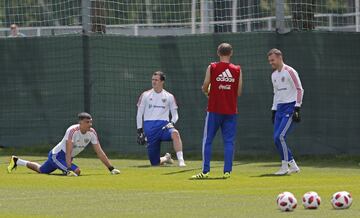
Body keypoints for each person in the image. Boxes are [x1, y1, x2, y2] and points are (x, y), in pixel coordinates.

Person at [7, 112, 120, 176]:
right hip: (57, 156)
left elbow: (99, 152)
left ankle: (17, 161)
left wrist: (111, 168)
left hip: (64, 157)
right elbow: (69, 151)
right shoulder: (72, 131)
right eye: (87, 122)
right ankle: (66, 171)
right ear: (80, 123)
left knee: (41, 170)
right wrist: (69, 168)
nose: (90, 124)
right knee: (76, 171)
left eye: (91, 121)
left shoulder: (92, 133)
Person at [192, 43, 242, 179]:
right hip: (230, 111)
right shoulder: (237, 69)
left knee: (207, 140)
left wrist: (207, 91)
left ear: (218, 53)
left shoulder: (212, 67)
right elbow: (238, 91)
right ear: (231, 53)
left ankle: (205, 171)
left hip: (214, 110)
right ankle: (227, 171)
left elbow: (205, 85)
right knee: (229, 142)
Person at [136, 71, 186, 167]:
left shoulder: (169, 96)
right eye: (153, 80)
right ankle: (166, 158)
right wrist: (139, 131)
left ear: (162, 82)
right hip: (150, 129)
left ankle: (181, 161)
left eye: (156, 80)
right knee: (155, 163)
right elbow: (139, 114)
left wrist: (171, 123)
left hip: (164, 127)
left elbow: (175, 115)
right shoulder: (145, 95)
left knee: (175, 133)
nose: (154, 82)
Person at [268, 48, 304, 175]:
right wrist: (273, 110)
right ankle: (293, 165)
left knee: (280, 136)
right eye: (269, 61)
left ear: (279, 57)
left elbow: (299, 89)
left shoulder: (290, 71)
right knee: (276, 139)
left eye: (272, 60)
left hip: (290, 107)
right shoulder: (274, 75)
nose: (271, 62)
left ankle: (284, 167)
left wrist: (297, 108)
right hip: (279, 109)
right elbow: (276, 93)